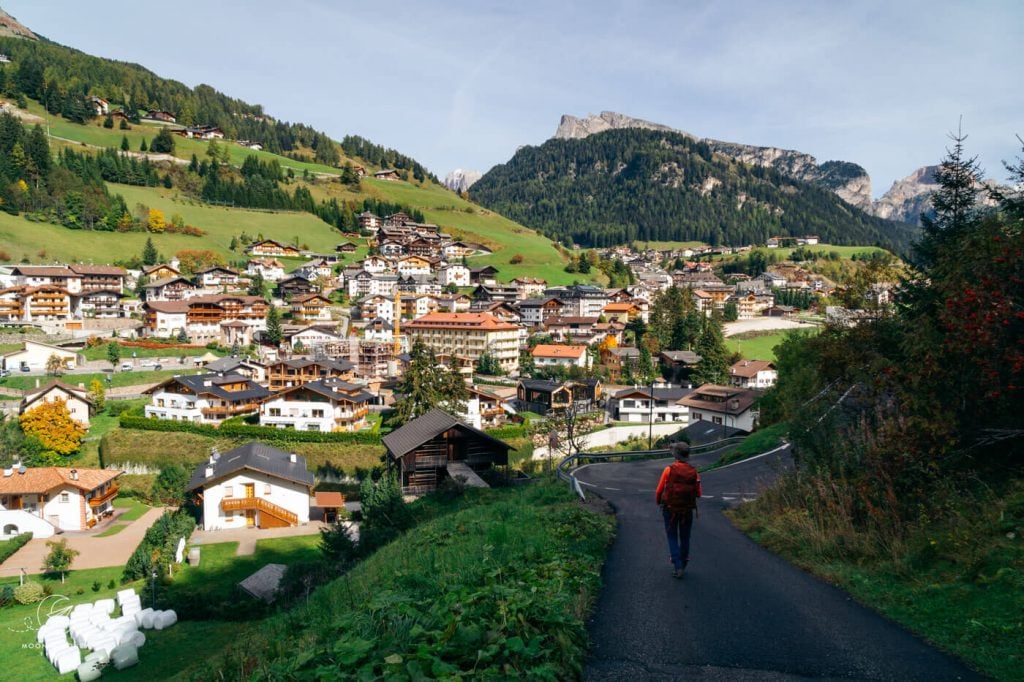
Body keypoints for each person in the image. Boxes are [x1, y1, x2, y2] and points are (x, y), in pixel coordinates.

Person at [655, 441, 701, 578]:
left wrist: (659, 502)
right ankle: (684, 562)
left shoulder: (669, 470)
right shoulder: (694, 471)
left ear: (675, 454)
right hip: (687, 509)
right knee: (685, 537)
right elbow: (699, 493)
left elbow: (659, 490)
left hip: (670, 508)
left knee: (672, 536)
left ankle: (677, 565)